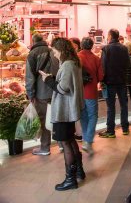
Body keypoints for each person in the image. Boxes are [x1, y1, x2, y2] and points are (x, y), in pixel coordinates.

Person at [39, 37, 85, 191]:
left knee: (66, 143)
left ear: (61, 50)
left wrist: (47, 80)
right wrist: (52, 78)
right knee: (71, 141)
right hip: (70, 110)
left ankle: (70, 179)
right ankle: (79, 171)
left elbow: (63, 89)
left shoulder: (67, 65)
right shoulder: (74, 62)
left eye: (54, 51)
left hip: (64, 111)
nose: (54, 54)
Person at [25, 33, 59, 156]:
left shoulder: (32, 54)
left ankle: (45, 148)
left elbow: (29, 77)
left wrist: (30, 94)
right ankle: (61, 144)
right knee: (57, 118)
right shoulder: (53, 51)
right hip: (56, 90)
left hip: (42, 92)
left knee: (44, 120)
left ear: (33, 41)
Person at [99, 28, 130, 138]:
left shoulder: (106, 49)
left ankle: (111, 131)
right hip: (122, 81)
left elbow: (102, 66)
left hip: (109, 82)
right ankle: (125, 128)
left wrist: (102, 81)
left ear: (110, 36)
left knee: (111, 107)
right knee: (124, 106)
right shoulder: (124, 48)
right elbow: (128, 64)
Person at [78, 37, 104, 156]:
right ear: (92, 46)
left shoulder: (77, 57)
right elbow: (101, 76)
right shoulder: (96, 58)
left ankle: (85, 139)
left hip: (79, 92)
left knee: (83, 116)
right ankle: (88, 141)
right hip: (91, 91)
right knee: (93, 116)